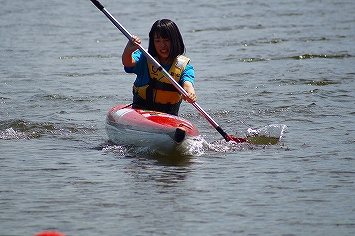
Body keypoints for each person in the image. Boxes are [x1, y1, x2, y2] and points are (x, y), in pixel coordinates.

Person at [122, 19, 197, 116]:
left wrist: (190, 94)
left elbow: (188, 85)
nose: (162, 45)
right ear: (153, 42)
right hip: (141, 112)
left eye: (166, 40)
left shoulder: (184, 66)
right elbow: (127, 63)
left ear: (175, 40)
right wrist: (128, 50)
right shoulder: (145, 57)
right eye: (157, 41)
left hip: (169, 115)